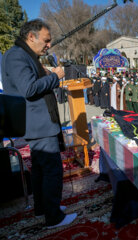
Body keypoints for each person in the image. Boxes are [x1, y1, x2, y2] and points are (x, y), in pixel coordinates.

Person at [1, 19, 77, 228]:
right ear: (31, 36)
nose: (48, 45)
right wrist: (54, 76)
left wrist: (41, 71)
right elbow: (28, 89)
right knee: (52, 169)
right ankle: (54, 217)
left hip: (39, 123)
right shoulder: (17, 55)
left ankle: (42, 208)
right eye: (46, 40)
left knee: (40, 169)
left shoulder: (24, 55)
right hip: (38, 124)